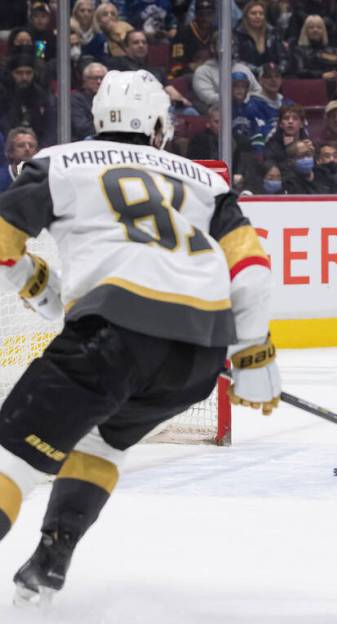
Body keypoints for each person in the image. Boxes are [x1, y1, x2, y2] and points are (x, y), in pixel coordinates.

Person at [0, 69, 280, 605]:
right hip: (197, 359)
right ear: (157, 126)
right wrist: (253, 350)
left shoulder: (57, 161)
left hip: (110, 338)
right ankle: (51, 560)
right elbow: (251, 268)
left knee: (12, 460)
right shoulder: (206, 180)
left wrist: (33, 279)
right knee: (101, 439)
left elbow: (3, 240)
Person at [0, 55, 56, 148]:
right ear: (11, 74)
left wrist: (38, 149)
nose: (24, 77)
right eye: (19, 73)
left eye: (28, 73)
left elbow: (50, 129)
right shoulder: (2, 97)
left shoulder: (42, 97)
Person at [168, 0, 216, 79]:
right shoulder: (183, 32)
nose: (205, 18)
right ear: (195, 14)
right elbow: (176, 61)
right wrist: (188, 66)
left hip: (212, 73)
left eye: (209, 14)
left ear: (214, 14)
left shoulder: (216, 32)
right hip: (188, 75)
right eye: (201, 14)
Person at [70, 62, 107, 141]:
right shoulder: (76, 99)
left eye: (102, 78)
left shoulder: (110, 99)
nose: (99, 82)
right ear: (85, 79)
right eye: (95, 78)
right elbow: (82, 127)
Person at [0, 127, 38, 193]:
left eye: (31, 145)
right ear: (10, 152)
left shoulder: (42, 180)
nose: (27, 149)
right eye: (21, 145)